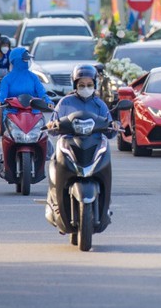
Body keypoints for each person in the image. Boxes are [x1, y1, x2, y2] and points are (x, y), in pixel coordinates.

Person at [46, 65, 118, 229]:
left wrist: (114, 125)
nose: (86, 88)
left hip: (94, 145)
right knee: (54, 163)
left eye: (89, 84)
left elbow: (110, 129)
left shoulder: (100, 105)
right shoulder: (65, 102)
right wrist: (52, 124)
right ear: (75, 85)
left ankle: (105, 204)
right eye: (81, 84)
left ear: (95, 85)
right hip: (70, 144)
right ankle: (55, 200)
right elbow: (54, 122)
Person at [0, 47, 53, 180]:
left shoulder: (33, 77)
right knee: (8, 137)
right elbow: (1, 95)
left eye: (28, 60)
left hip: (33, 112)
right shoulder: (7, 79)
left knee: (43, 135)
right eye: (24, 60)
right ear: (16, 61)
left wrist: (48, 101)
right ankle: (6, 159)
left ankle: (43, 157)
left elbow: (42, 93)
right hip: (12, 113)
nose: (26, 62)